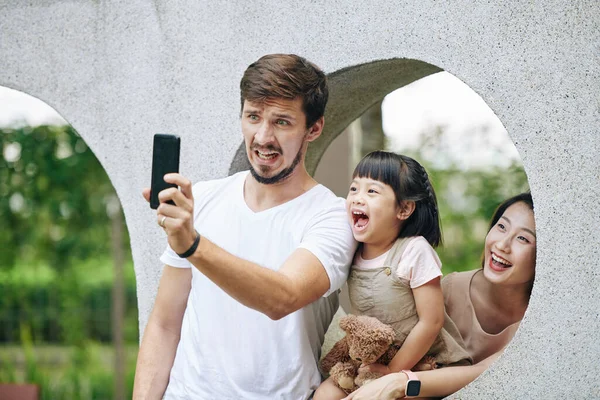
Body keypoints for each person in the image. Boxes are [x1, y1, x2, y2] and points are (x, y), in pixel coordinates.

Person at [133, 54, 357, 400]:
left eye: (281, 122)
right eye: (253, 117)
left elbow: (282, 297)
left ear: (314, 128)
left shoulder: (331, 216)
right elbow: (164, 324)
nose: (263, 137)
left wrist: (192, 244)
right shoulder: (203, 199)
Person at [341, 192, 536, 399]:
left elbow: (484, 373)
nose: (502, 245)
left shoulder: (539, 322)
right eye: (502, 227)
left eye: (522, 238)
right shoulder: (449, 289)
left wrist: (401, 381)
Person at [315, 151, 471, 400]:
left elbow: (431, 321)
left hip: (426, 363)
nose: (357, 198)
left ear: (404, 208)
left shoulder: (413, 250)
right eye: (354, 188)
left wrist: (391, 371)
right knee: (325, 393)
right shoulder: (352, 250)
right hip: (376, 361)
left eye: (372, 191)